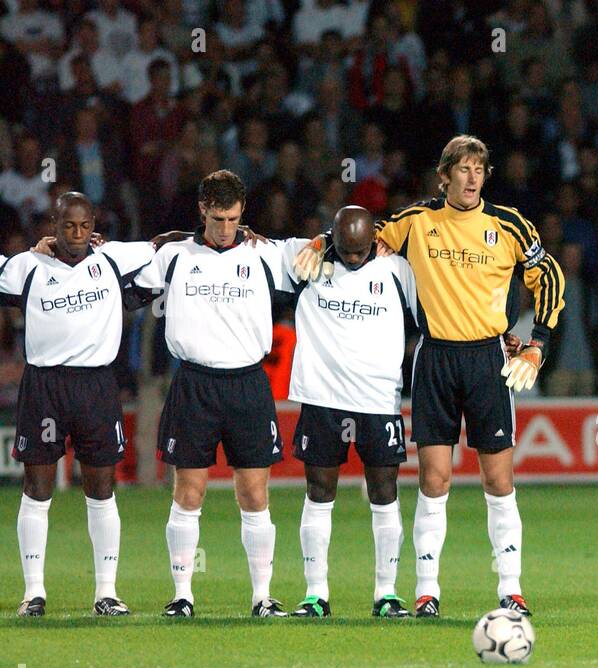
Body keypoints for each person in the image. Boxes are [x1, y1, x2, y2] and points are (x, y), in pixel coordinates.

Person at [293, 135, 565, 618]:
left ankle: (511, 588)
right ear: (445, 177)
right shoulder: (417, 221)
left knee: (498, 480)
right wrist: (320, 242)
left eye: (479, 169)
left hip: (487, 359)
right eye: (462, 170)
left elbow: (550, 277)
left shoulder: (509, 226)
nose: (472, 178)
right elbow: (360, 234)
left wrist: (537, 345)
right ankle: (426, 590)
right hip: (435, 357)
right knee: (434, 480)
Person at [132, 169, 293, 618]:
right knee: (189, 491)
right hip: (194, 383)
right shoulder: (172, 256)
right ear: (202, 211)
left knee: (255, 494)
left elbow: (329, 251)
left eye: (234, 219)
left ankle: (263, 596)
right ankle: (182, 595)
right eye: (218, 219)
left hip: (248, 383)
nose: (226, 229)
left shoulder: (267, 254)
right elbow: (117, 276)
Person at [3, 192, 151, 616]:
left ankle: (106, 592)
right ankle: (33, 593)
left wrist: (227, 234)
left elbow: (165, 244)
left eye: (85, 226)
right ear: (54, 224)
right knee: (37, 488)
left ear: (94, 226)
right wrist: (28, 250)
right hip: (45, 384)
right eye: (69, 226)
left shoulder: (112, 259)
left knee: (102, 488)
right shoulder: (27, 268)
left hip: (96, 385)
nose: (77, 234)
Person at [280, 206, 418, 619]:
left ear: (375, 239)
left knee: (385, 493)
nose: (353, 259)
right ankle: (315, 594)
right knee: (319, 493)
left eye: (361, 252)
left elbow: (432, 315)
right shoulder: (309, 259)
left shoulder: (399, 270)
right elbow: (246, 247)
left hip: (378, 400)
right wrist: (320, 240)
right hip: (323, 398)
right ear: (333, 239)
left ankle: (387, 593)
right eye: (345, 250)